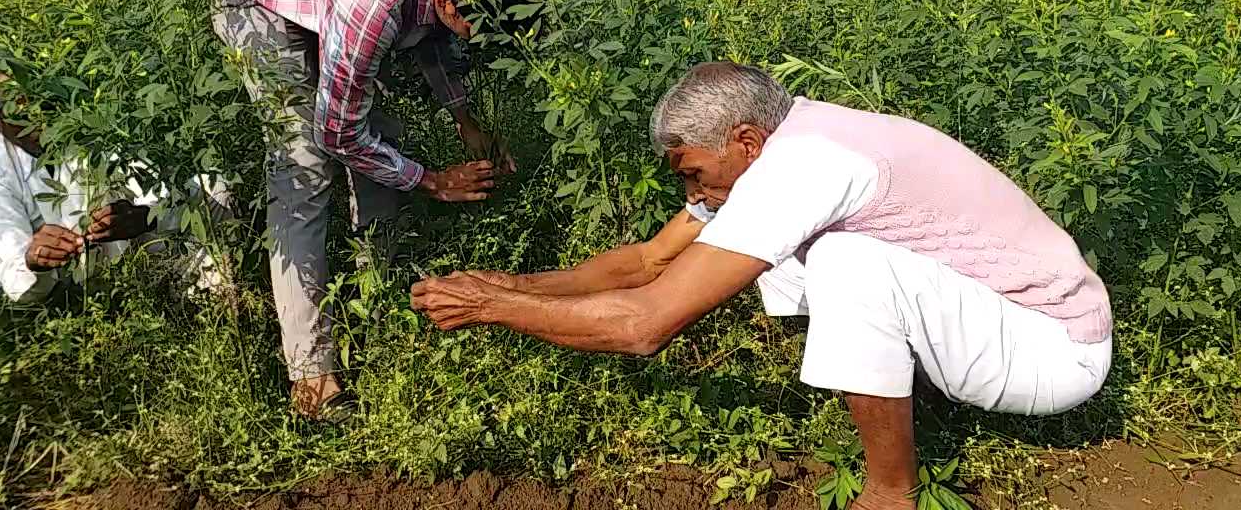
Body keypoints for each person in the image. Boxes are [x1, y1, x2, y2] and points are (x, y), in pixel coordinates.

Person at [410, 61, 1113, 510]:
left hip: (1051, 353)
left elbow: (645, 323)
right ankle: (910, 410)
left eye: (691, 171)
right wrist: (516, 284)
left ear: (744, 139)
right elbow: (650, 262)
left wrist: (490, 308)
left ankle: (891, 493)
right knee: (843, 253)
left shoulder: (807, 166)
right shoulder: (790, 144)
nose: (692, 188)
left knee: (846, 260)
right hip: (999, 323)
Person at [213, 0, 546, 418]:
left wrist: (465, 118)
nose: (481, 45)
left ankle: (377, 314)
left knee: (381, 141)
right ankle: (313, 376)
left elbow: (435, 31)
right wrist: (429, 181)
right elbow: (336, 131)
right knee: (305, 168)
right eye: (477, 31)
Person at [0, 64, 231, 302]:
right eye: (15, 103)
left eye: (36, 93)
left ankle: (200, 297)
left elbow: (164, 196)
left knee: (215, 188)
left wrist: (147, 217)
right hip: (57, 281)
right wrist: (34, 260)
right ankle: (35, 315)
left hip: (128, 253)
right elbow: (12, 265)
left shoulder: (89, 123)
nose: (34, 111)